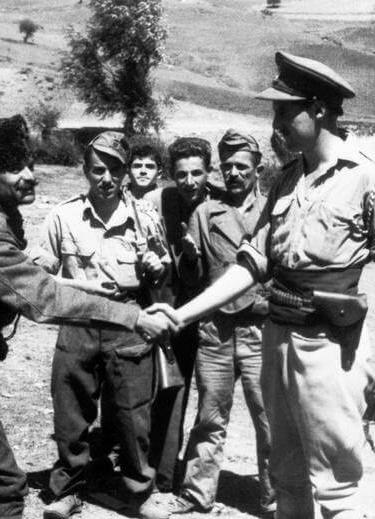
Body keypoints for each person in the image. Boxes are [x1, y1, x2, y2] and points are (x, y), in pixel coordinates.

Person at [149, 52, 375, 519]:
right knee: (286, 475)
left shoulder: (368, 175)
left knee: (336, 485)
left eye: (284, 112)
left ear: (320, 110)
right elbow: (252, 263)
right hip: (277, 337)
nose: (277, 124)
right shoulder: (289, 177)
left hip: (331, 343)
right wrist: (182, 315)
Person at [0, 116, 176, 519]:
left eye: (29, 164)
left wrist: (88, 288)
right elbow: (43, 300)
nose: (29, 176)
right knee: (4, 492)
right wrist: (132, 317)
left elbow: (17, 273)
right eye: (14, 168)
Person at [31, 132, 172, 519]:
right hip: (78, 319)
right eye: (97, 169)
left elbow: (162, 270)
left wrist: (157, 267)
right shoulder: (64, 214)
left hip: (128, 322)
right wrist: (79, 284)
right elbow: (40, 272)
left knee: (132, 413)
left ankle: (139, 492)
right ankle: (69, 490)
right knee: (71, 410)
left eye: (114, 169)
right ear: (85, 171)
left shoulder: (145, 216)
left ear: (126, 171)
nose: (105, 178)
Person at [151, 130, 276, 517]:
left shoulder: (276, 208)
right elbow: (193, 279)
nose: (234, 174)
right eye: (228, 167)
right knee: (210, 415)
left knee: (268, 418)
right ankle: (195, 494)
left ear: (258, 169)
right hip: (216, 330)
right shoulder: (205, 213)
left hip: (262, 329)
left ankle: (276, 500)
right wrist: (188, 257)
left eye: (242, 167)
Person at [147, 137, 211, 492]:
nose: (189, 182)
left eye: (197, 173)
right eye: (182, 174)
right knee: (171, 391)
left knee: (214, 399)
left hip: (214, 311)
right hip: (173, 309)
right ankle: (163, 476)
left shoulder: (219, 202)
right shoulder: (159, 202)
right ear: (171, 174)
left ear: (208, 172)